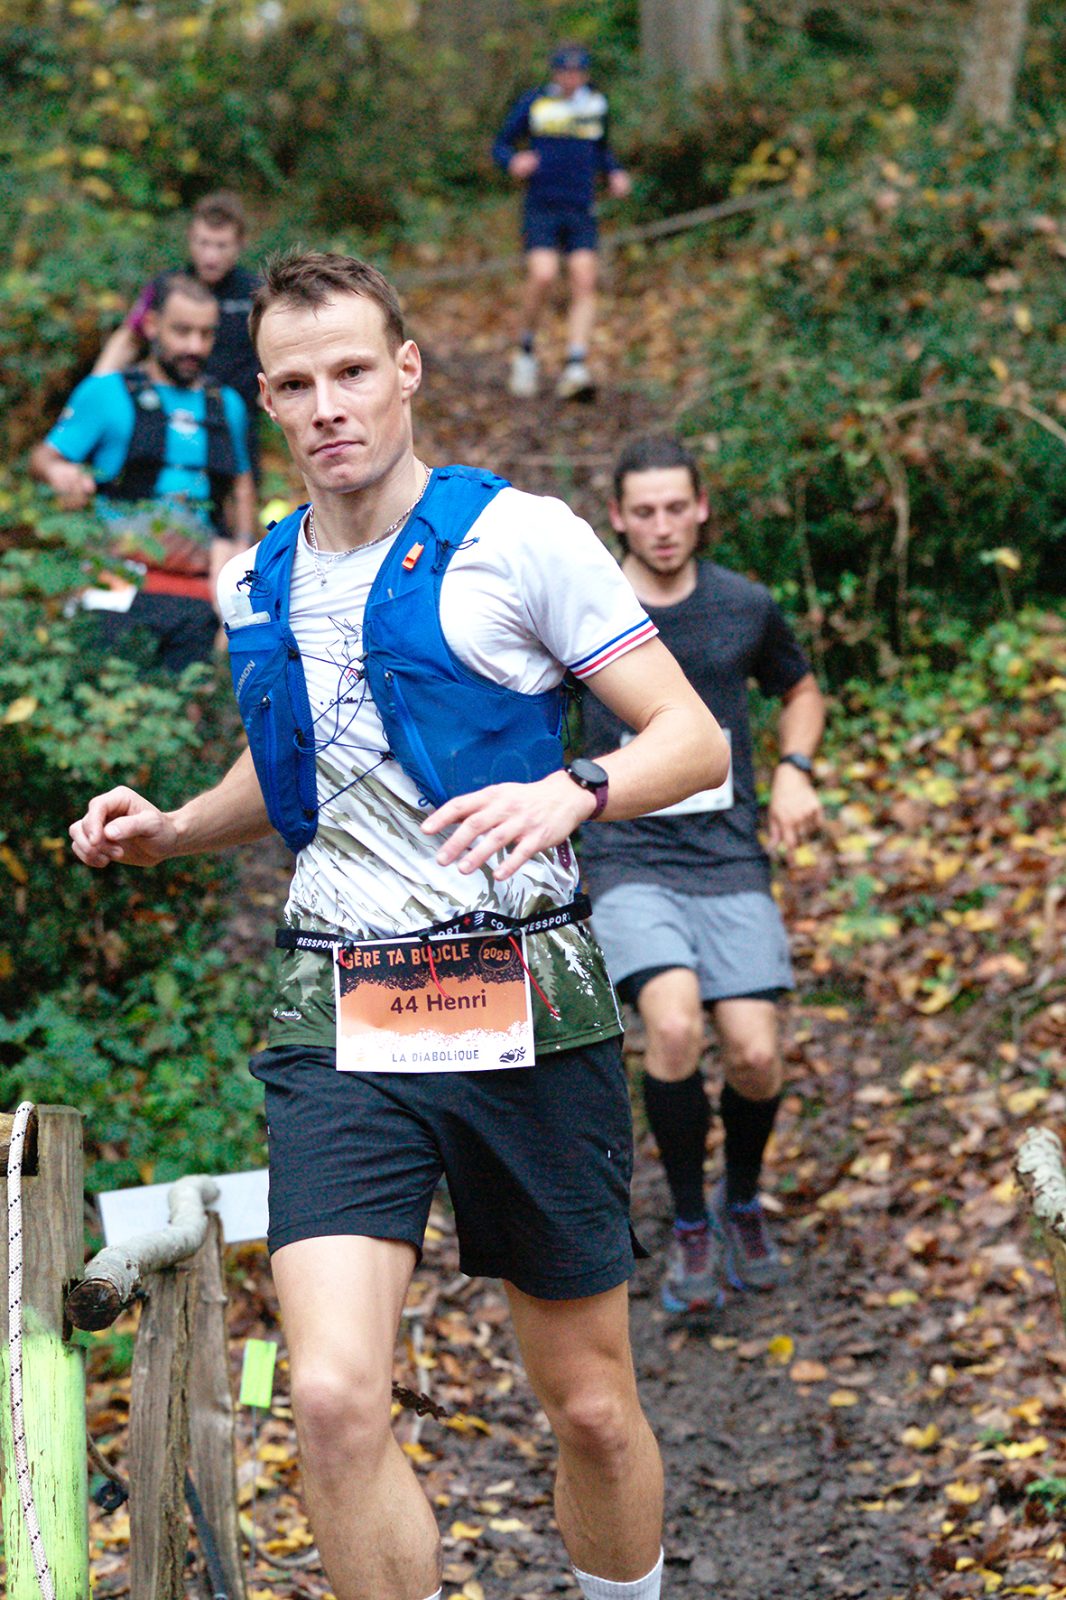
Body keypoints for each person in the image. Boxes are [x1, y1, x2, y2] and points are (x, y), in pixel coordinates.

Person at [70, 252, 730, 1600]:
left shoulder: (520, 538)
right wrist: (174, 826)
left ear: (407, 370)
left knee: (591, 1406)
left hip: (524, 996)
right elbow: (297, 774)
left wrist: (572, 789)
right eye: (296, 383)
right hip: (341, 1009)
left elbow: (691, 738)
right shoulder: (257, 579)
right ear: (265, 400)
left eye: (353, 371)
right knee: (327, 1397)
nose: (329, 406)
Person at [579, 437, 826, 1318]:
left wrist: (796, 769)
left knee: (756, 1053)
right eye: (643, 511)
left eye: (676, 508)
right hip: (626, 855)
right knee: (675, 1024)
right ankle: (688, 1219)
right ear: (618, 516)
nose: (662, 526)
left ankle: (741, 1198)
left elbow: (800, 689)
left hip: (726, 855)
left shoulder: (742, 605)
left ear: (701, 508)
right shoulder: (586, 607)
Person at [31, 274, 255, 672]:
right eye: (182, 331)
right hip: (116, 579)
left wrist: (241, 553)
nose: (195, 347)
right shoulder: (106, 392)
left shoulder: (227, 405)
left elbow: (240, 487)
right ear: (151, 325)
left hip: (197, 592)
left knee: (190, 700)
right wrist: (60, 473)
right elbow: (44, 458)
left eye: (206, 334)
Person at [493, 44, 631, 402]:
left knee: (585, 278)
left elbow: (602, 149)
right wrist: (514, 161)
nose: (572, 78)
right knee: (543, 274)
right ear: (555, 73)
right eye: (566, 72)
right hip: (542, 206)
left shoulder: (596, 104)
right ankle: (525, 351)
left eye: (578, 72)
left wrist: (614, 172)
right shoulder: (535, 102)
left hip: (581, 207)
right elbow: (501, 144)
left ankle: (575, 363)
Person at [94, 190, 263, 478]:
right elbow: (129, 338)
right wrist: (96, 387)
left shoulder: (257, 293)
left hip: (234, 422)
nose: (211, 256)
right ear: (190, 238)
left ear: (240, 245)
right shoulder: (165, 286)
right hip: (164, 415)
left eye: (221, 245)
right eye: (203, 243)